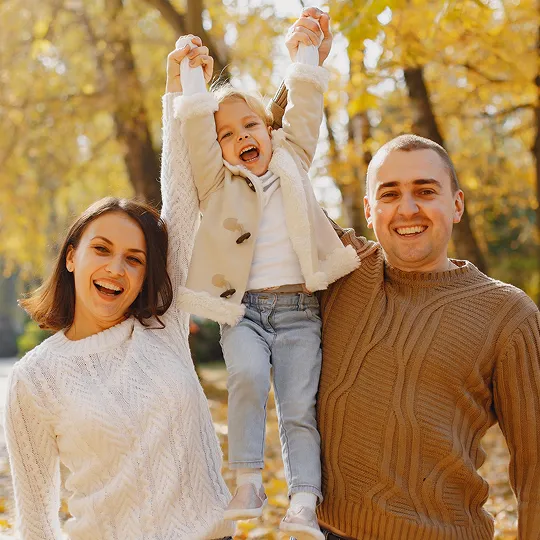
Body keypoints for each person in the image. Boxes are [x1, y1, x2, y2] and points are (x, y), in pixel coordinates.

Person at [276, 59, 540, 536]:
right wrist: (305, 64)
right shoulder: (341, 268)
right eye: (391, 193)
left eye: (426, 190)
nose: (409, 208)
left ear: (455, 205)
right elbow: (274, 166)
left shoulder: (508, 314)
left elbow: (536, 464)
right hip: (327, 530)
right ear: (370, 209)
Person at [3, 53, 236, 538]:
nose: (116, 268)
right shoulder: (36, 379)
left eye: (134, 258)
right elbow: (35, 520)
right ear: (71, 257)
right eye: (102, 250)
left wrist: (177, 90)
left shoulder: (162, 327)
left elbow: (181, 198)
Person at [166, 10, 359, 539]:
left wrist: (305, 51)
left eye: (250, 125)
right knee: (247, 378)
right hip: (244, 311)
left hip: (300, 311)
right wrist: (189, 74)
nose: (241, 137)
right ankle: (248, 479)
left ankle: (303, 500)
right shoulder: (216, 183)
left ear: (269, 131)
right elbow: (196, 131)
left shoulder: (293, 157)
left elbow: (306, 105)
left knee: (299, 406)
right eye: (227, 134)